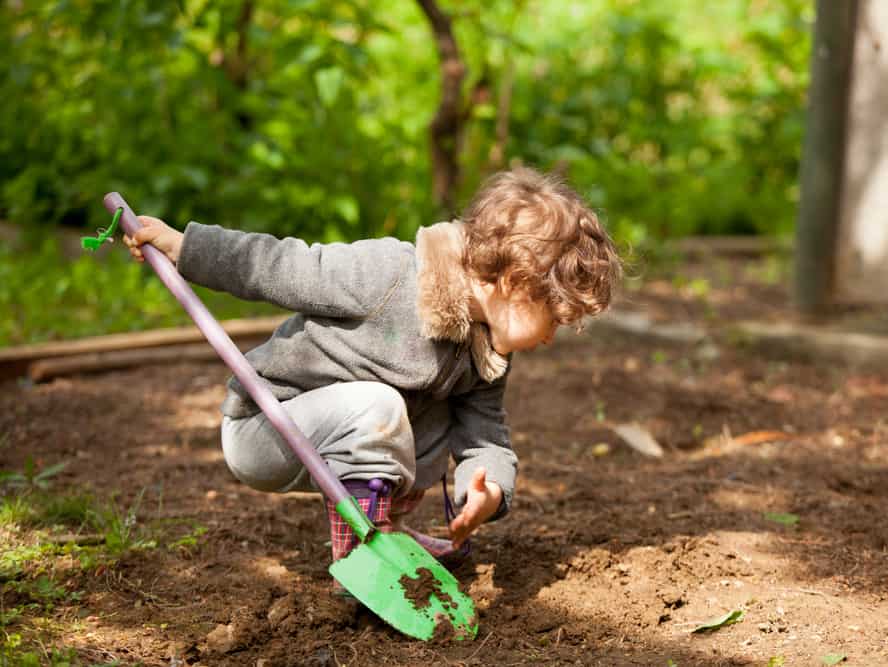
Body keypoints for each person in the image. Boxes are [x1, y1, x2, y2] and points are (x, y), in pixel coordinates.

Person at [124, 167, 621, 576]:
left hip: (339, 449)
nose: (553, 335)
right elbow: (281, 265)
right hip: (268, 429)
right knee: (381, 406)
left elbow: (485, 437)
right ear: (511, 281)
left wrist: (485, 492)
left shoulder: (484, 351)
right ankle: (362, 559)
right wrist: (185, 247)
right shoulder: (388, 275)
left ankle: (383, 530)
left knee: (425, 419)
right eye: (553, 316)